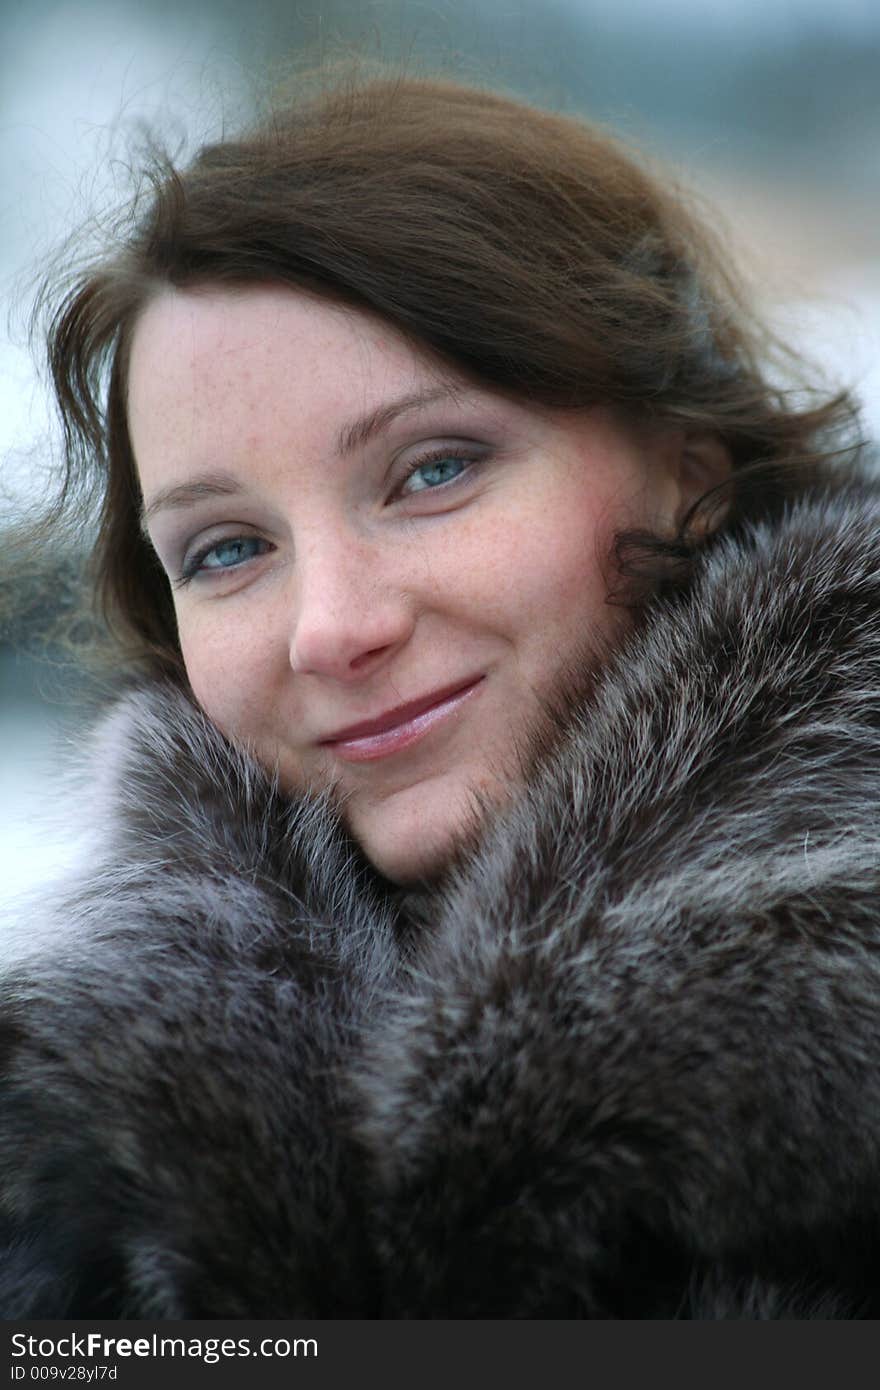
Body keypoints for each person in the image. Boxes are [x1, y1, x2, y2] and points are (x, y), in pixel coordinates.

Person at [1, 66, 879, 1319]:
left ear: (687, 465)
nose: (332, 629)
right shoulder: (68, 1137)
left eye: (433, 472)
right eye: (227, 549)